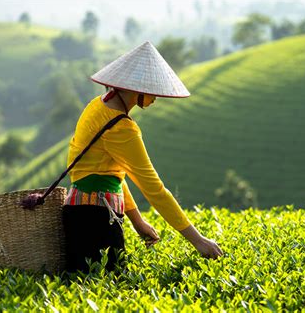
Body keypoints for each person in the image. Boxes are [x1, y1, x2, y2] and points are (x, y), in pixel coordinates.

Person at [62, 41, 224, 273]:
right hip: (96, 219)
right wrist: (198, 240)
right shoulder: (121, 127)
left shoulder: (97, 107)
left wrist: (137, 221)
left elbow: (111, 173)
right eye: (152, 92)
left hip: (81, 211)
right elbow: (153, 189)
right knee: (109, 290)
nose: (155, 98)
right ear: (136, 89)